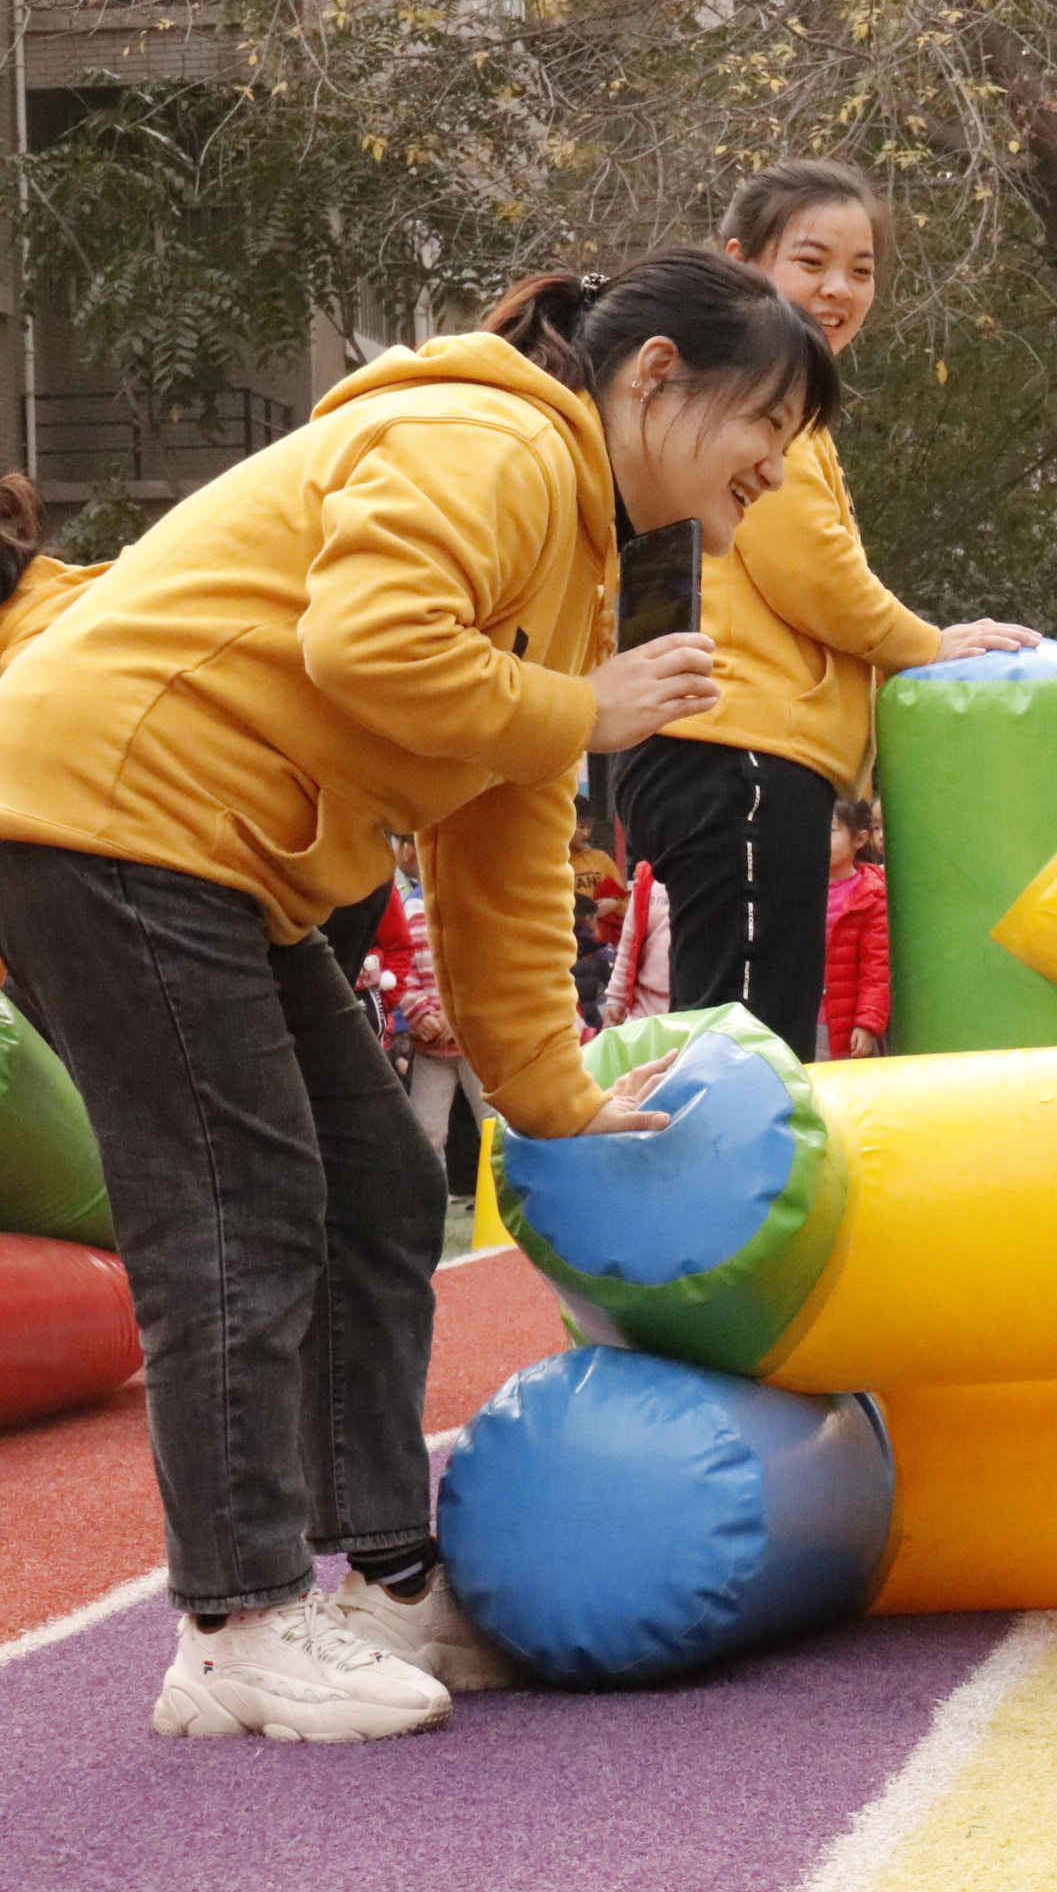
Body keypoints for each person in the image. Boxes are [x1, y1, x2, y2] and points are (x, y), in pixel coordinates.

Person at [0, 245, 829, 1740]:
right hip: (109, 810)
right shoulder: (494, 436)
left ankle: (381, 1576)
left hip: (211, 847)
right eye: (769, 416)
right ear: (655, 378)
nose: (781, 461)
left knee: (382, 1181)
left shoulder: (576, 557)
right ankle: (237, 1622)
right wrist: (588, 710)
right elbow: (369, 643)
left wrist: (554, 1093)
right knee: (238, 1205)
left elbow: (502, 850)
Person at [614, 158, 1035, 1063]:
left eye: (863, 268)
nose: (838, 290)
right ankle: (724, 1200)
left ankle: (724, 1189)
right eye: (811, 262)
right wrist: (927, 645)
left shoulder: (766, 400)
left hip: (720, 745)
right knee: (749, 1033)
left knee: (733, 1016)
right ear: (741, 264)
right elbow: (815, 570)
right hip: (740, 749)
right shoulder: (765, 405)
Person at [383, 835, 495, 1190]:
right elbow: (403, 967)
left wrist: (456, 1019)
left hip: (474, 1044)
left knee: (493, 1125)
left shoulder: (476, 906)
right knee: (426, 1131)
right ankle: (429, 1203)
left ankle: (503, 1202)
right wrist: (419, 1013)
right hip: (430, 1045)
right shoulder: (409, 907)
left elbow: (485, 970)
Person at [819, 799, 891, 1059]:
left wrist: (867, 1023)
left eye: (828, 830)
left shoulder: (871, 894)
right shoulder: (796, 889)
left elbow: (877, 967)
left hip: (849, 1026)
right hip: (806, 1021)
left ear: (859, 840)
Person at [603, 860, 674, 1028]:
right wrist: (616, 998)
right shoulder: (647, 877)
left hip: (698, 1010)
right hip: (645, 1008)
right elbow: (629, 943)